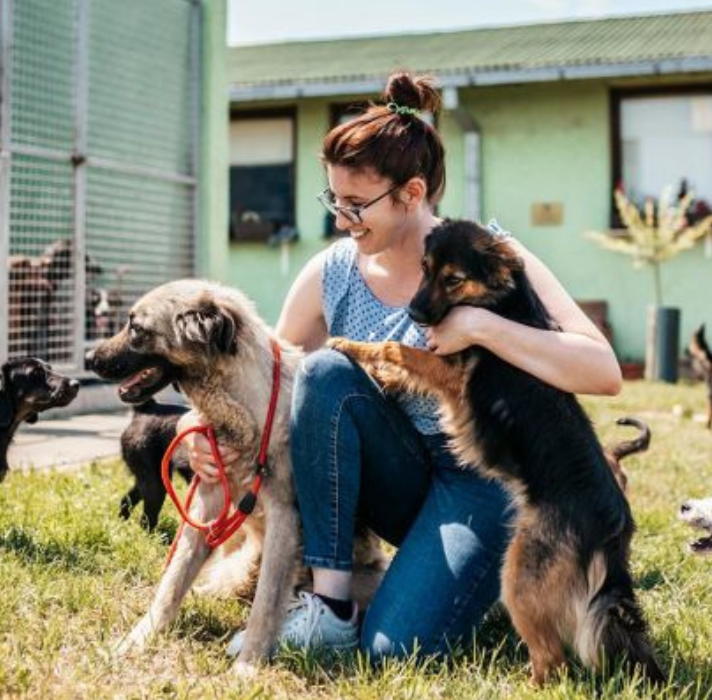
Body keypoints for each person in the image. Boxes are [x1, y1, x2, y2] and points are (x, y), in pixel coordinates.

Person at [181, 71, 622, 662]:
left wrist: (482, 326)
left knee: (396, 649)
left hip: (480, 484)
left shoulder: (487, 255)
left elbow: (602, 370)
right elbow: (266, 385)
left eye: (356, 204)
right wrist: (194, 433)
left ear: (412, 194)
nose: (341, 218)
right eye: (333, 200)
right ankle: (332, 604)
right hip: (392, 477)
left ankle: (463, 579)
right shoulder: (331, 271)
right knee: (323, 372)